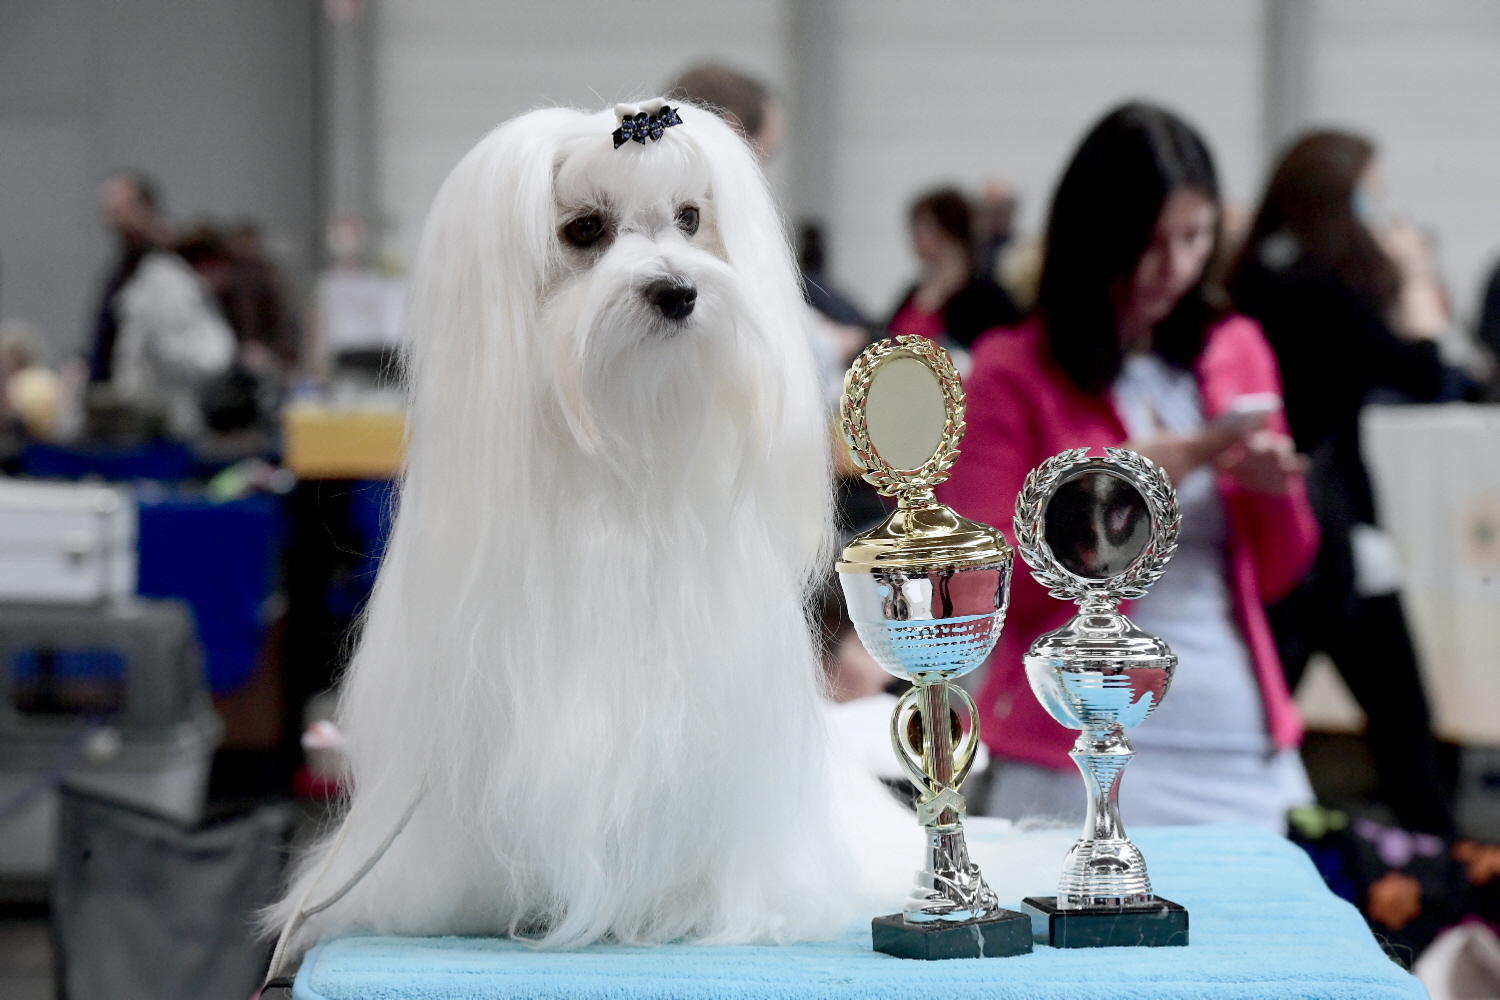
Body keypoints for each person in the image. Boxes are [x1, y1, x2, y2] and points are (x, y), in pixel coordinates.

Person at [937, 103, 1320, 830]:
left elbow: (1279, 573)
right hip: (1073, 743)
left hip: (1237, 741)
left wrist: (1275, 497)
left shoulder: (1236, 346)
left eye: (1195, 238)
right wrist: (1108, 497)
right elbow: (983, 591)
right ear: (1095, 238)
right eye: (1149, 243)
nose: (1173, 267)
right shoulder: (1013, 369)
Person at [1229, 131, 1455, 834]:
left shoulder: (1250, 282)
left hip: (1264, 528)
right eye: (1370, 191)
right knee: (1404, 723)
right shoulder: (1329, 288)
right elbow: (1425, 374)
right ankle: (1436, 876)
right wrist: (1414, 273)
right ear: (1340, 196)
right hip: (1334, 536)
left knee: (1263, 716)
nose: (1378, 207)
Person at [86, 174, 235, 440]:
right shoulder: (124, 270)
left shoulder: (167, 273)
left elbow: (212, 353)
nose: (109, 218)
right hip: (129, 413)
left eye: (118, 209)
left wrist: (163, 355)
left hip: (166, 419)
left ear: (144, 208)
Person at [886, 187, 1020, 348]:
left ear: (948, 229)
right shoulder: (914, 290)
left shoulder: (983, 295)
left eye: (924, 226)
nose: (915, 235)